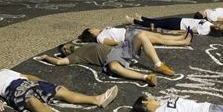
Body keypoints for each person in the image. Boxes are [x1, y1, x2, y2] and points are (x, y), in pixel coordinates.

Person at [0, 67, 118, 112]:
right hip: (11, 88)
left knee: (59, 90)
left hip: (23, 81)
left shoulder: (4, 70)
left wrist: (41, 81)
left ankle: (97, 99)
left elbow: (26, 76)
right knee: (30, 100)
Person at [35, 30, 176, 87]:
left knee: (141, 35)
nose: (66, 48)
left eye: (66, 46)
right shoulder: (76, 56)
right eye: (64, 50)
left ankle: (158, 64)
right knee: (113, 67)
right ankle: (146, 77)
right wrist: (46, 57)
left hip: (120, 50)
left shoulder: (86, 44)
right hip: (111, 59)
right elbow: (60, 62)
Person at [125, 13, 223, 37]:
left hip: (179, 25)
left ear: (217, 31)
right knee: (160, 21)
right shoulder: (210, 24)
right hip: (181, 20)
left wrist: (176, 32)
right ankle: (142, 18)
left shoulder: (206, 31)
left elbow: (189, 31)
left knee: (158, 24)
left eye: (218, 28)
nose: (217, 26)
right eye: (219, 25)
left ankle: (135, 21)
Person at [78, 26, 193, 47]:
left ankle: (180, 37)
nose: (94, 28)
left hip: (130, 31)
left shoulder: (103, 31)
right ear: (91, 32)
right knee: (159, 40)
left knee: (158, 36)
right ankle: (184, 42)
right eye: (92, 28)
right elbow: (112, 42)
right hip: (129, 36)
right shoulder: (100, 38)